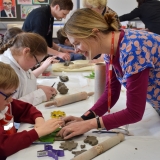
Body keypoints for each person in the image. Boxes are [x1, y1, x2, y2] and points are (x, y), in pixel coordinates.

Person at [57, 8, 160, 139]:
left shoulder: (133, 50)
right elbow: (111, 94)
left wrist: (89, 125)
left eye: (77, 43)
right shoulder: (110, 50)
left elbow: (134, 112)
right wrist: (84, 119)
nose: (76, 50)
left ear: (94, 34)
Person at [0, 62, 63, 160]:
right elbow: (3, 146)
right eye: (8, 95)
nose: (11, 100)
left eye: (13, 94)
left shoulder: (6, 104)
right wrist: (38, 132)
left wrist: (39, 119)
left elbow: (26, 109)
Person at [0, 32, 57, 106]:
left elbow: (23, 86)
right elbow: (9, 106)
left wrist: (36, 87)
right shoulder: (5, 68)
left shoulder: (21, 63)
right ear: (26, 52)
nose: (35, 65)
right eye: (37, 61)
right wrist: (40, 95)